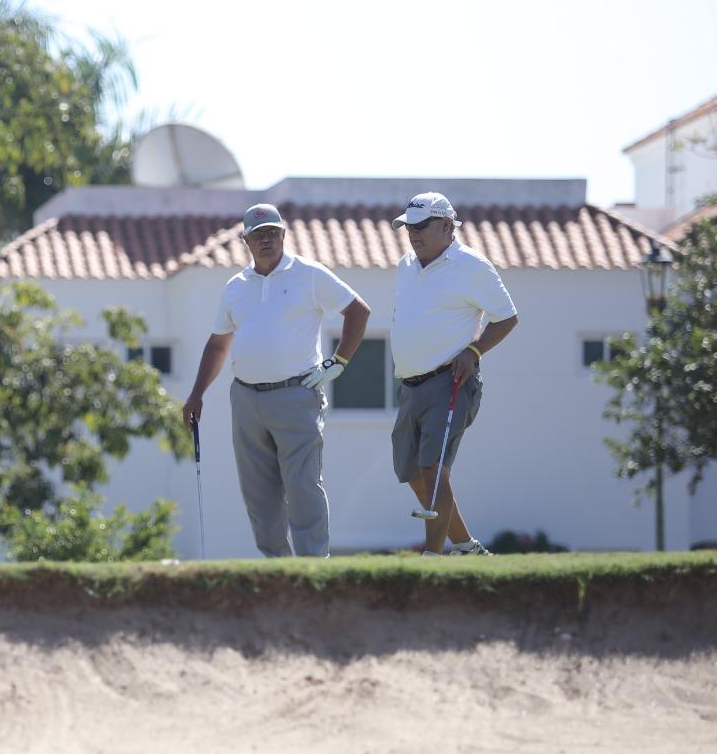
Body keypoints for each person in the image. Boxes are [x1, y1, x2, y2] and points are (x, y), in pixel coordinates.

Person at [182, 204, 371, 557]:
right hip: (246, 399)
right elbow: (218, 343)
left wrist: (339, 362)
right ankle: (278, 573)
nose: (266, 239)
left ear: (284, 234)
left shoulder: (309, 274)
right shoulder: (236, 287)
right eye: (258, 234)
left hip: (297, 396)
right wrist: (196, 395)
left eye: (272, 232)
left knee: (303, 489)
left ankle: (313, 571)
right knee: (259, 496)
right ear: (245, 241)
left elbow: (357, 311)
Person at [388, 192, 520, 555]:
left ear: (447, 226)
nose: (413, 234)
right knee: (411, 470)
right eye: (408, 227)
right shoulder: (406, 265)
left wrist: (474, 350)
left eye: (421, 226)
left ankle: (433, 557)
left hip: (450, 381)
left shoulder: (472, 266)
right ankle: (465, 545)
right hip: (410, 385)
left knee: (433, 469)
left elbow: (506, 317)